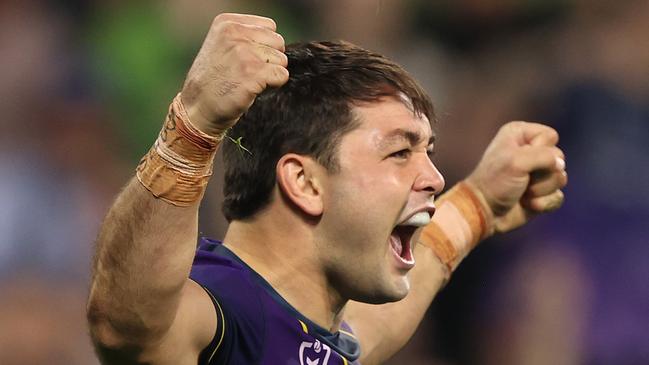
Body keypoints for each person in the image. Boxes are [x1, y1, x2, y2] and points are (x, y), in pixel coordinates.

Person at [86, 13, 567, 365]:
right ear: (304, 182)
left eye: (429, 153)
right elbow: (126, 323)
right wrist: (191, 128)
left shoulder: (317, 337)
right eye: (400, 152)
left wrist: (477, 204)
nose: (435, 179)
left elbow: (373, 331)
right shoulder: (226, 310)